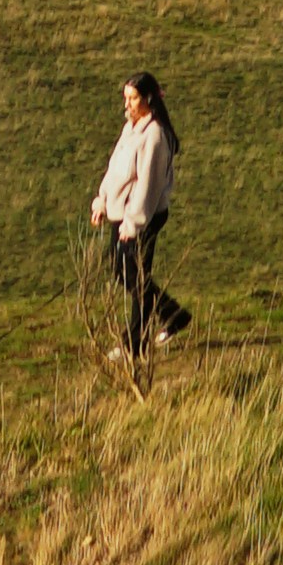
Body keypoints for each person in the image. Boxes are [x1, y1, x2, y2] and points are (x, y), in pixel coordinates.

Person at [90, 69, 182, 371]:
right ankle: (170, 315)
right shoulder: (131, 127)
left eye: (132, 98)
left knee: (134, 277)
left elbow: (148, 187)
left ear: (148, 99)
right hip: (122, 214)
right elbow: (114, 168)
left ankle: (135, 344)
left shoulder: (154, 136)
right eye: (125, 98)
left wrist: (133, 224)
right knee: (127, 275)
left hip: (143, 218)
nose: (127, 104)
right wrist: (102, 201)